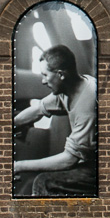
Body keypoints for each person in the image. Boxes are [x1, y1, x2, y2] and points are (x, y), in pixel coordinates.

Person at [13, 44, 97, 196]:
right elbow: (38, 110)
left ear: (60, 75)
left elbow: (68, 159)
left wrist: (18, 166)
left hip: (104, 167)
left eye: (45, 75)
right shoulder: (69, 89)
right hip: (87, 162)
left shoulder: (87, 107)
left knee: (45, 183)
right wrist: (9, 126)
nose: (43, 81)